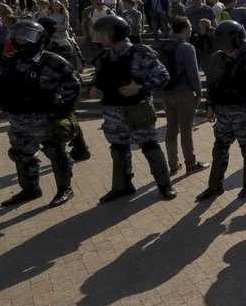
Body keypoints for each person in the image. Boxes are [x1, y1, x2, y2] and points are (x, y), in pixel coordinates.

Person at [89, 15, 177, 203]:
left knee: (150, 147)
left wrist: (140, 86)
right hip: (113, 111)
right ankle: (122, 186)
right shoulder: (104, 56)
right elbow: (97, 79)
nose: (100, 38)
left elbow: (163, 75)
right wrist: (92, 89)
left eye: (103, 34)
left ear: (116, 33)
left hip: (137, 110)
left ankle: (165, 186)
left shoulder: (140, 53)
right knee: (118, 149)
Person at [0, 21, 82, 207]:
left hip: (46, 117)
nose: (21, 41)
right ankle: (30, 189)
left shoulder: (53, 61)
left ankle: (64, 188)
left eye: (26, 38)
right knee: (21, 154)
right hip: (18, 119)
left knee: (55, 151)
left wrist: (63, 109)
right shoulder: (9, 61)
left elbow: (73, 85)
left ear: (39, 39)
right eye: (18, 38)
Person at [195, 20, 246, 201]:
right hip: (224, 111)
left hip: (245, 111)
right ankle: (214, 186)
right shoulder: (217, 59)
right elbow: (213, 85)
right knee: (219, 149)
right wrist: (210, 106)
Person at [156, 17, 208, 176]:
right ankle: (190, 163)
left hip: (167, 94)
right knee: (186, 130)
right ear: (184, 29)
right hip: (184, 93)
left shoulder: (164, 45)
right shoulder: (186, 47)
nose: (192, 29)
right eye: (190, 26)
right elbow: (193, 73)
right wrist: (198, 93)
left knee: (171, 129)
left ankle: (172, 164)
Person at [36, 16, 90, 161]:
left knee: (65, 121)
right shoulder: (64, 41)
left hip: (60, 89)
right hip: (69, 86)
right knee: (71, 118)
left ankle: (79, 149)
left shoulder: (50, 45)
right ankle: (81, 149)